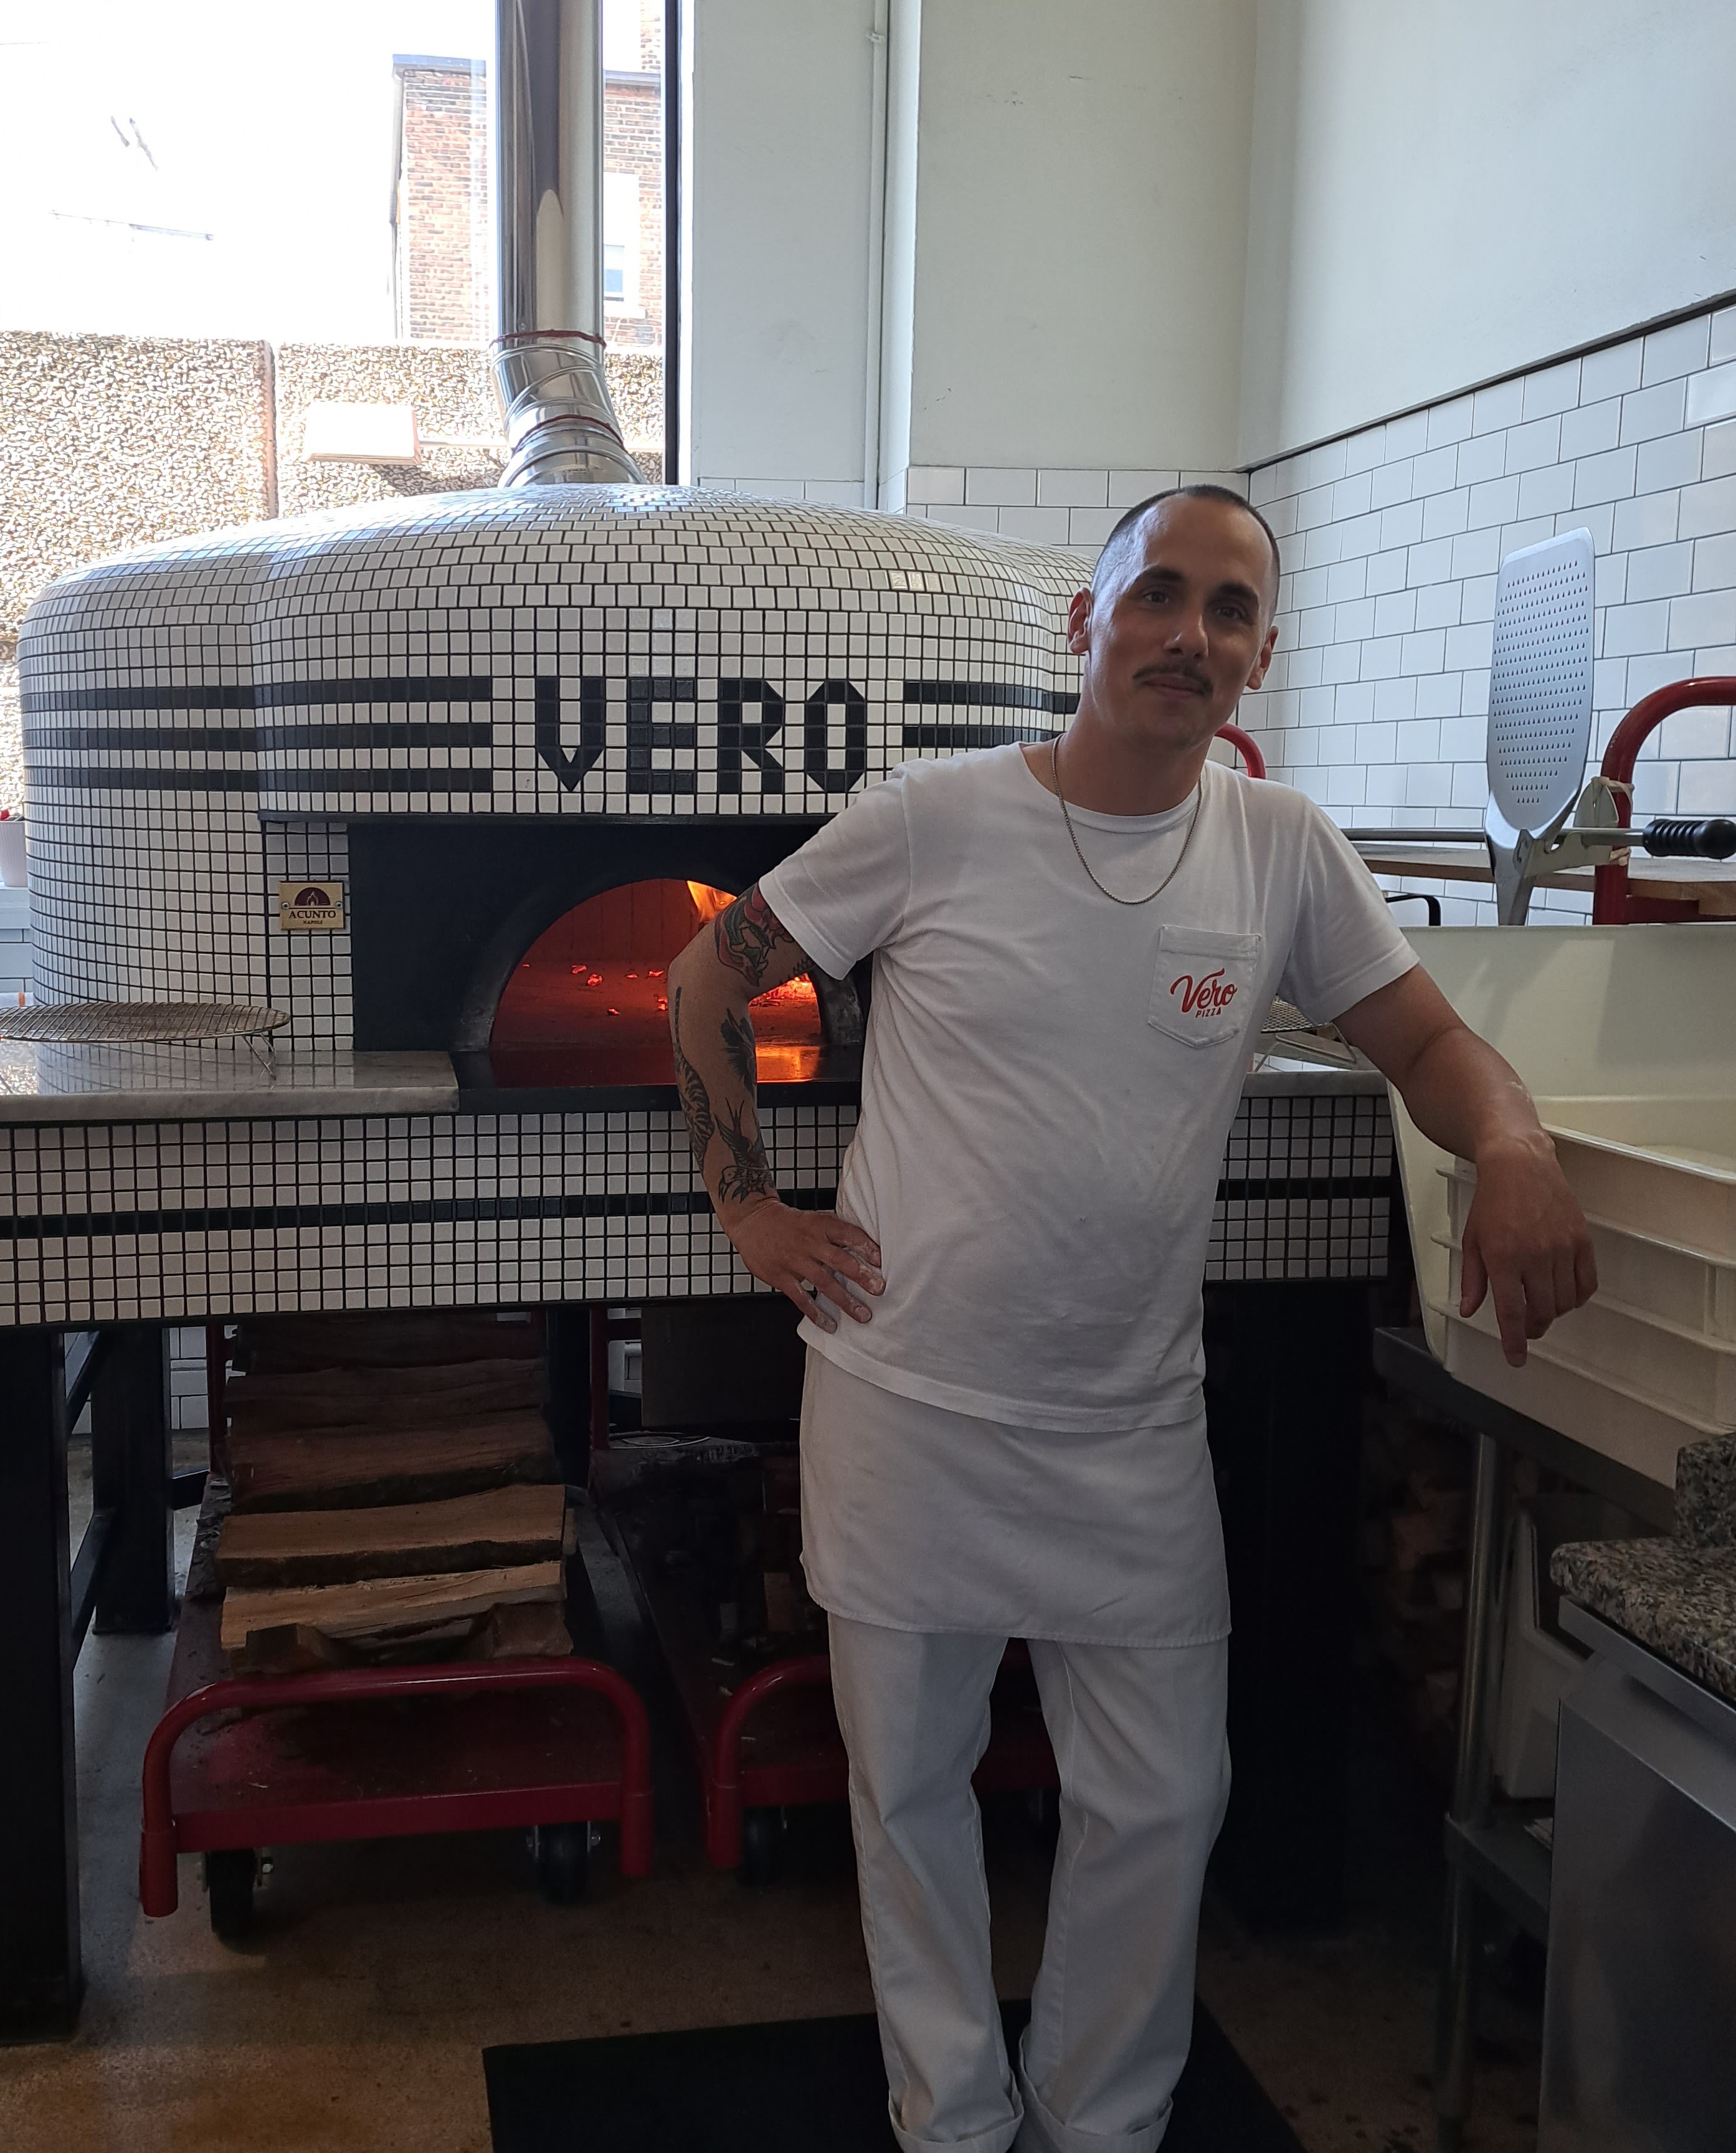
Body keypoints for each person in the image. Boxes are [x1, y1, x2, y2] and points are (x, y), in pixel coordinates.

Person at [666, 485, 1595, 2153]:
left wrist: (1515, 1144)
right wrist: (749, 1207)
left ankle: (1098, 2120)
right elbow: (707, 974)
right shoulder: (934, 820)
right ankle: (953, 2117)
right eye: (1158, 593)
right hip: (909, 1401)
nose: (1190, 632)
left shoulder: (1279, 847)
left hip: (1128, 1420)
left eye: (1230, 609)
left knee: (1165, 1795)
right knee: (911, 1786)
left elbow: (1431, 1046)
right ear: (1085, 624)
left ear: (1261, 656)